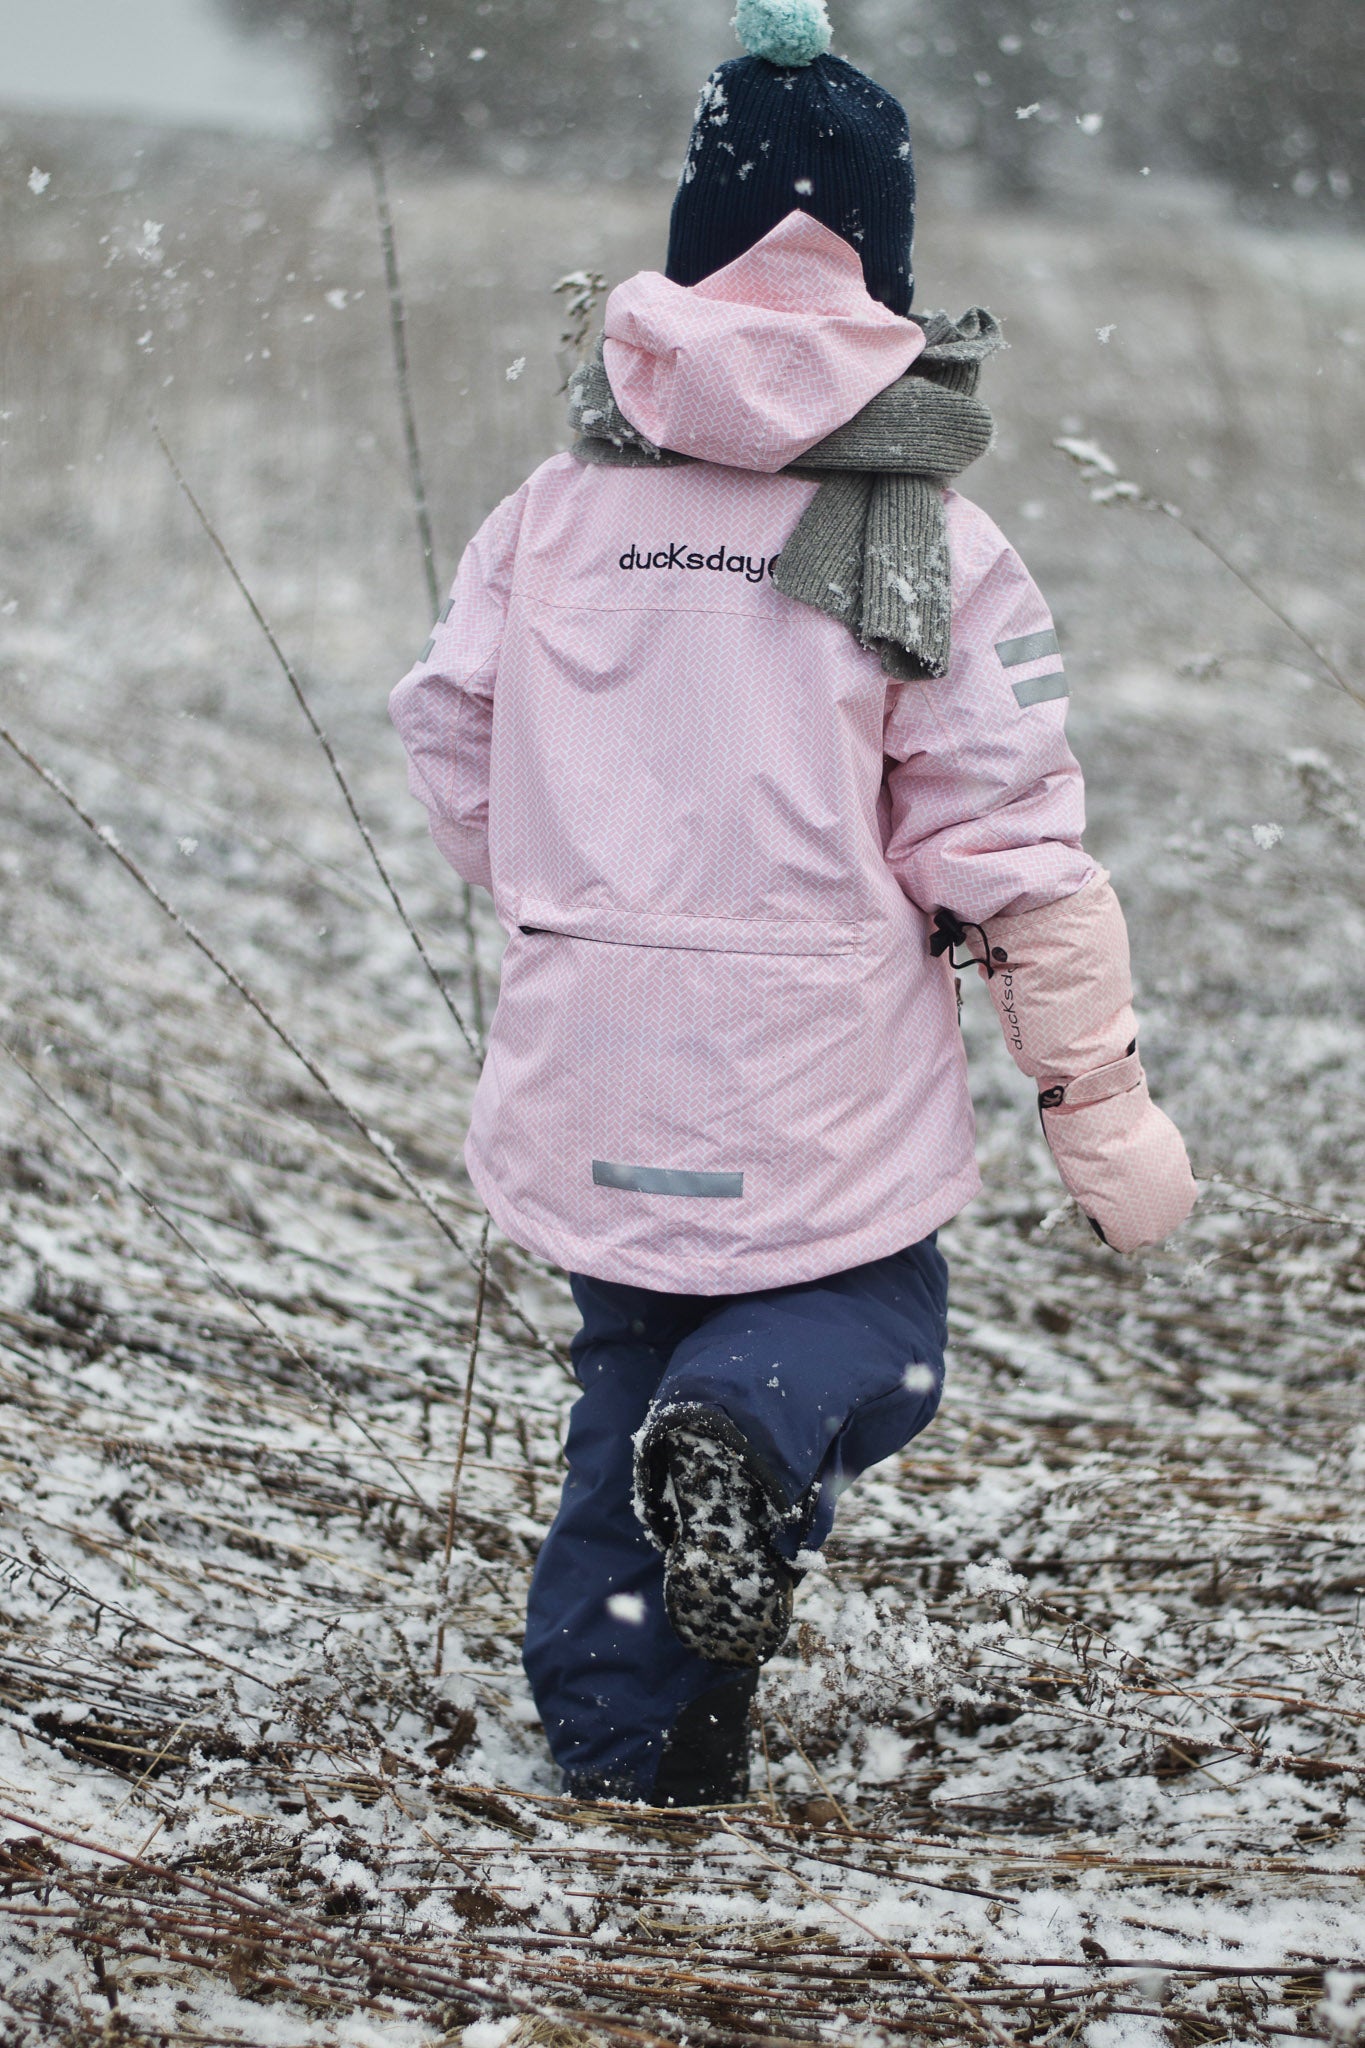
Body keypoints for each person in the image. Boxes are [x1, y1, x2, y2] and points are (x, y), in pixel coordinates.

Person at [389, 0, 1196, 1807]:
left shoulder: (560, 506)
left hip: (590, 1043)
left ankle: (630, 1754)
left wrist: (569, 896)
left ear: (688, 254)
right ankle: (745, 1431)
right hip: (807, 1065)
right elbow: (1012, 848)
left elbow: (450, 724)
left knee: (625, 1382)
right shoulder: (933, 539)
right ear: (886, 270)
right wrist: (1100, 1105)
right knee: (870, 1341)